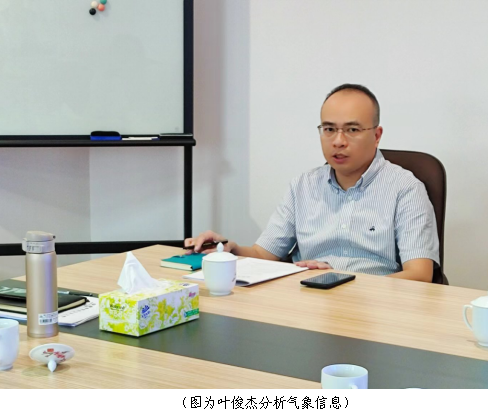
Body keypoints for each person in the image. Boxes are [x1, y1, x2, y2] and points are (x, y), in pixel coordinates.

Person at [185, 84, 439, 282]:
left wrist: (341, 281)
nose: (338, 141)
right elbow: (263, 255)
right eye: (329, 129)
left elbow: (419, 275)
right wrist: (229, 249)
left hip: (375, 310)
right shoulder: (303, 186)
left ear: (377, 135)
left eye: (352, 130)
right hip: (309, 303)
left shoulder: (405, 188)